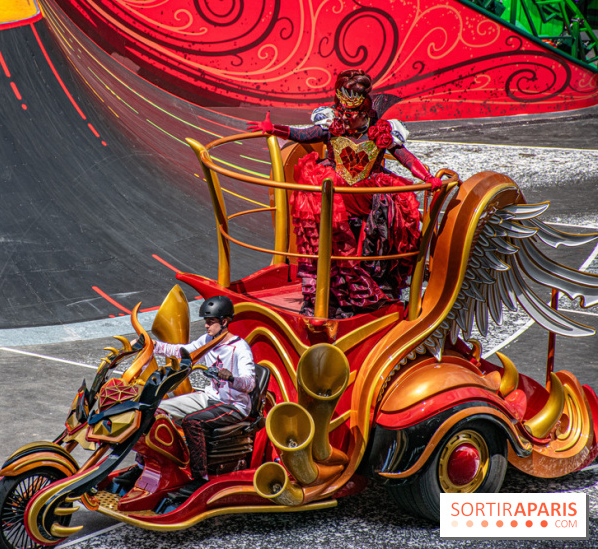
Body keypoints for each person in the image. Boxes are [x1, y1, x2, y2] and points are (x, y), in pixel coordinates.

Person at [247, 69, 443, 317]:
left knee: (384, 231)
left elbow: (405, 157)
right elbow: (304, 134)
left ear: (363, 111)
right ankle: (332, 296)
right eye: (341, 111)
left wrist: (427, 177)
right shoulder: (334, 127)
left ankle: (371, 294)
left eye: (350, 113)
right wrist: (274, 128)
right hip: (336, 196)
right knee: (333, 243)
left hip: (369, 197)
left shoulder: (380, 132)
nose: (345, 118)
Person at [125, 295, 256, 499]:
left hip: (233, 405)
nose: (206, 326)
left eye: (211, 321)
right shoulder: (207, 341)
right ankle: (143, 464)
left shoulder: (240, 348)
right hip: (209, 397)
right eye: (206, 321)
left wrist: (230, 378)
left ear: (224, 321)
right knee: (155, 410)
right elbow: (180, 351)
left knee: (192, 422)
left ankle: (200, 478)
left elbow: (249, 383)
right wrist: (150, 344)